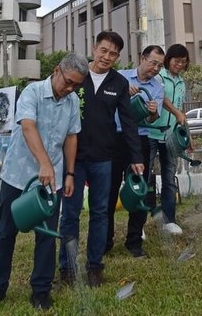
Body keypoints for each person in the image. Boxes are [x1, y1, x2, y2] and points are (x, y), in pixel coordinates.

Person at [0, 54, 88, 316]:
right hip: (18, 175)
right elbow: (28, 127)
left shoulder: (72, 101)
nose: (70, 89)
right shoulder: (32, 92)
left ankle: (41, 291)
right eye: (68, 82)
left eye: (76, 86)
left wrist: (69, 173)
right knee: (5, 233)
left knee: (46, 236)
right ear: (57, 71)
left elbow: (71, 137)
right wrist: (44, 164)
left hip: (53, 181)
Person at [58, 31, 144, 287]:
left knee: (100, 213)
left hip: (104, 158)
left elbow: (128, 123)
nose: (107, 57)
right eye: (104, 50)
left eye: (113, 54)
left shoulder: (118, 83)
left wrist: (136, 156)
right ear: (95, 48)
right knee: (70, 214)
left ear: (118, 57)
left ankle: (95, 266)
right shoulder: (79, 76)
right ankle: (68, 268)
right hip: (73, 159)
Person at [106, 45, 165, 258]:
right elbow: (105, 105)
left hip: (139, 140)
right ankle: (105, 241)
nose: (156, 68)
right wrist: (123, 91)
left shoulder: (157, 87)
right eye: (153, 63)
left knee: (139, 189)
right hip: (113, 138)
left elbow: (152, 119)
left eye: (159, 65)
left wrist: (153, 113)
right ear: (142, 58)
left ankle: (134, 242)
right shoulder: (119, 77)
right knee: (108, 189)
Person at [148, 43, 191, 236]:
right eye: (176, 61)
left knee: (169, 177)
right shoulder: (158, 76)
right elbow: (162, 98)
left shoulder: (182, 83)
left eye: (183, 62)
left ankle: (169, 220)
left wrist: (187, 135)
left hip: (171, 136)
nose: (180, 64)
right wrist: (175, 111)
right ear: (168, 61)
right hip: (150, 133)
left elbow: (181, 110)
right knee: (146, 177)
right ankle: (144, 217)